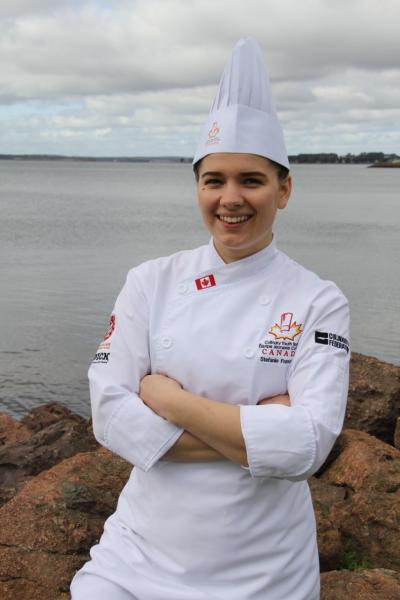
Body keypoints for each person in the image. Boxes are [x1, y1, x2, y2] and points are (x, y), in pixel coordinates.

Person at [70, 37, 350, 600]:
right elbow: (108, 412)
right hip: (136, 553)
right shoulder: (151, 280)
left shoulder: (319, 300)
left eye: (252, 180)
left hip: (263, 569)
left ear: (284, 190)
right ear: (197, 188)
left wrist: (170, 403)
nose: (231, 199)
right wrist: (254, 427)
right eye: (214, 180)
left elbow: (308, 446)